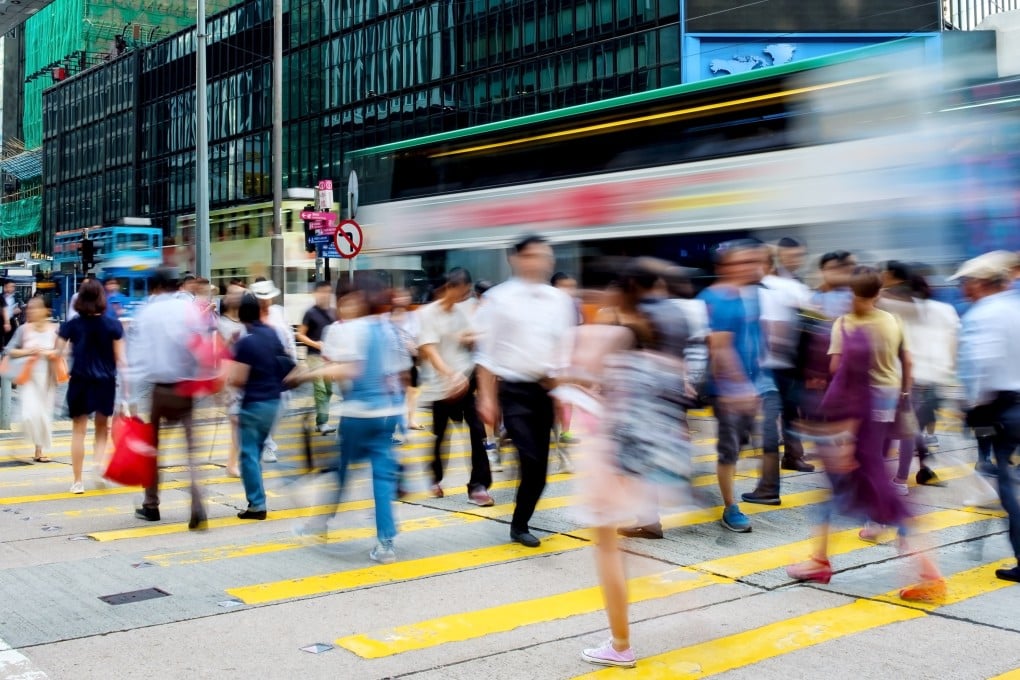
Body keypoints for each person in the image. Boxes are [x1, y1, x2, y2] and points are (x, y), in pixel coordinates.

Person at [560, 260, 696, 667]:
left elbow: (575, 381)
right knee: (616, 549)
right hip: (643, 454)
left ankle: (620, 645)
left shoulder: (614, 334)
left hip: (611, 456)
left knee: (608, 550)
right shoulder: (658, 332)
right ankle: (627, 635)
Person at [786, 266, 944, 603]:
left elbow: (840, 376)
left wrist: (838, 436)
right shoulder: (890, 320)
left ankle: (930, 574)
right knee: (854, 492)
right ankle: (821, 559)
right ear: (878, 292)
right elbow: (908, 363)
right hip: (884, 401)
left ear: (852, 294)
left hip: (856, 417)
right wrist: (903, 396)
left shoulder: (846, 329)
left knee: (881, 497)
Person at [293, 282, 411, 564]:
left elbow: (350, 368)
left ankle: (318, 524)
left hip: (358, 415)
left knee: (342, 472)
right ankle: (385, 543)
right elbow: (403, 371)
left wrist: (305, 376)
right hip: (386, 414)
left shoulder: (356, 330)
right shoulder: (390, 329)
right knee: (381, 479)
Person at [475, 235, 575, 548]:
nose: (541, 262)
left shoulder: (559, 300)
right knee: (531, 458)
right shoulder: (498, 298)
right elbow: (485, 355)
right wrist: (487, 399)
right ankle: (519, 524)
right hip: (513, 390)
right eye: (533, 255)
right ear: (515, 259)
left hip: (545, 390)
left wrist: (562, 392)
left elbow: (563, 348)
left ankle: (519, 524)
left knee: (540, 473)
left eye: (545, 256)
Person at [952, 252, 1020, 582]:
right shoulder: (1015, 306)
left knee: (1008, 484)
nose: (963, 288)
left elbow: (981, 366)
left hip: (1003, 407)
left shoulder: (983, 314)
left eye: (965, 282)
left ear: (980, 283)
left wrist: (973, 407)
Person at [697, 239, 771, 533]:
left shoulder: (745, 295)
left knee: (738, 447)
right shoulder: (720, 299)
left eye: (753, 261)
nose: (750, 267)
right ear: (725, 266)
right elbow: (720, 348)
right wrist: (740, 388)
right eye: (742, 262)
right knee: (729, 450)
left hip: (747, 385)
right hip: (728, 390)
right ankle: (730, 507)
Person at [128, 268, 211, 529]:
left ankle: (151, 504)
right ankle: (197, 504)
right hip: (186, 387)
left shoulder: (147, 312)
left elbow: (136, 358)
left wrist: (126, 397)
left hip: (159, 390)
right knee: (191, 449)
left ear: (154, 288)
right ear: (176, 286)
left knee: (153, 448)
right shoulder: (188, 310)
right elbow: (201, 346)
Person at [742, 247, 814, 506]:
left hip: (766, 368)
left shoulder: (765, 289)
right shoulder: (788, 286)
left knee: (767, 427)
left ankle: (769, 487)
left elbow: (773, 330)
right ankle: (791, 459)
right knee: (786, 419)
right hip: (788, 367)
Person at [418, 267, 494, 506]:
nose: (464, 297)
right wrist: (450, 375)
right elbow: (429, 351)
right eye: (462, 292)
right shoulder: (427, 314)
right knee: (440, 435)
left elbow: (464, 337)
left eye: (466, 293)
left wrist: (484, 335)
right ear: (451, 287)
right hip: (441, 386)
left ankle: (478, 486)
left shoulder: (460, 312)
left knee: (477, 431)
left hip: (464, 382)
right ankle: (434, 478)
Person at [55, 279, 125, 494]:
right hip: (105, 381)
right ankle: (98, 464)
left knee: (79, 431)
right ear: (102, 298)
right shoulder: (114, 325)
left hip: (80, 381)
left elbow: (56, 353)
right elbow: (120, 358)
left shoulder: (71, 325)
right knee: (103, 428)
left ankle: (77, 481)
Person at [231, 292, 291, 520]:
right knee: (255, 452)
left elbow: (238, 379)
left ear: (240, 315)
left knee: (248, 455)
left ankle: (257, 504)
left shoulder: (246, 343)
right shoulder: (271, 333)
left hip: (254, 404)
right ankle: (258, 499)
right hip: (274, 402)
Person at [7, 297, 59, 463]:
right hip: (29, 378)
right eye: (29, 308)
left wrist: (51, 354)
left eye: (35, 308)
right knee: (29, 414)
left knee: (43, 415)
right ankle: (27, 437)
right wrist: (29, 351)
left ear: (45, 311)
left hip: (47, 378)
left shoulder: (55, 329)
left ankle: (39, 450)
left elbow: (61, 352)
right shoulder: (23, 329)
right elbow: (10, 351)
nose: (30, 311)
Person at [250, 279, 296, 462]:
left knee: (282, 403)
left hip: (280, 364)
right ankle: (267, 443)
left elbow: (289, 336)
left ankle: (266, 438)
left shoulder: (279, 313)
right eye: (261, 297)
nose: (265, 301)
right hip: (259, 365)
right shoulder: (250, 315)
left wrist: (292, 359)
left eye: (267, 297)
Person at [295, 281, 336, 435]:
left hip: (328, 358)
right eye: (322, 291)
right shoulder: (310, 313)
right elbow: (299, 334)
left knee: (329, 390)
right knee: (320, 389)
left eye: (328, 291)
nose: (325, 295)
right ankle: (323, 422)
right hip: (314, 356)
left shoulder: (332, 312)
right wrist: (316, 344)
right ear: (315, 293)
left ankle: (321, 420)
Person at [551, 272, 583, 455]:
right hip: (550, 363)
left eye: (572, 286)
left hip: (568, 360)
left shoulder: (574, 306)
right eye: (565, 286)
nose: (570, 291)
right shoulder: (546, 307)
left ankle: (565, 431)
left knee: (567, 397)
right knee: (556, 400)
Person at [218, 282, 247, 477]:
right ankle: (232, 464)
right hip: (229, 377)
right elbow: (216, 353)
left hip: (247, 376)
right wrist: (229, 341)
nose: (235, 297)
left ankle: (235, 461)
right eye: (232, 294)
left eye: (240, 294)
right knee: (236, 420)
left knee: (242, 421)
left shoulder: (248, 323)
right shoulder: (220, 323)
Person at [387, 288, 423, 433]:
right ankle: (392, 426)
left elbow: (418, 337)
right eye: (399, 297)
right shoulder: (387, 318)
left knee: (412, 392)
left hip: (410, 360)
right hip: (393, 362)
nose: (402, 299)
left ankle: (410, 420)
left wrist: (415, 348)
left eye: (405, 296)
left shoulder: (412, 317)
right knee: (395, 396)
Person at [811, 251, 856, 320]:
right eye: (831, 268)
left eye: (838, 268)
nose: (835, 272)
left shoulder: (854, 293)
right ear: (822, 271)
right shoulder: (817, 295)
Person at [3, 279, 25, 346]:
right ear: (5, 287)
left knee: (9, 341)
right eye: (11, 286)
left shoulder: (16, 297)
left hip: (12, 322)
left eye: (14, 287)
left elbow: (22, 307)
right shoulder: (1, 297)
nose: (13, 288)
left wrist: (19, 309)